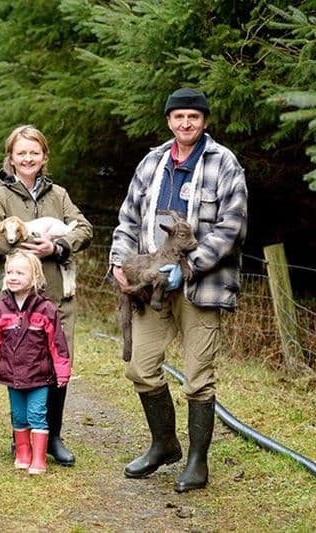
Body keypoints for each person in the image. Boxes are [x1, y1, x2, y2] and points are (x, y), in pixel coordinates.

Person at [109, 88, 247, 492]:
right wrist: (119, 261)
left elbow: (231, 228)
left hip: (201, 287)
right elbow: (128, 219)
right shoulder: (152, 162)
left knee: (197, 378)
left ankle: (197, 463)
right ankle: (164, 444)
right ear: (169, 120)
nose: (185, 123)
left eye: (193, 117)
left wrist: (187, 269)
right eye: (178, 117)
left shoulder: (223, 163)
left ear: (204, 121)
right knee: (141, 366)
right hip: (149, 285)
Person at [0, 125, 92, 466]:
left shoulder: (58, 195)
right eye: (21, 153)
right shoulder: (0, 195)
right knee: (19, 364)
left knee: (56, 363)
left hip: (54, 296)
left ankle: (52, 435)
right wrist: (20, 241)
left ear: (44, 157)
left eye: (34, 152)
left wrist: (57, 246)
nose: (28, 158)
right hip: (13, 299)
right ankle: (22, 438)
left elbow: (83, 228)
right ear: (11, 158)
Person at [0, 251, 71, 475]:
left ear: (35, 278)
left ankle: (39, 457)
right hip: (13, 375)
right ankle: (23, 452)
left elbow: (57, 343)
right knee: (19, 415)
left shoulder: (47, 310)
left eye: (20, 273)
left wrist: (62, 371)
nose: (13, 276)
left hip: (39, 375)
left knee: (37, 414)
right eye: (10, 272)